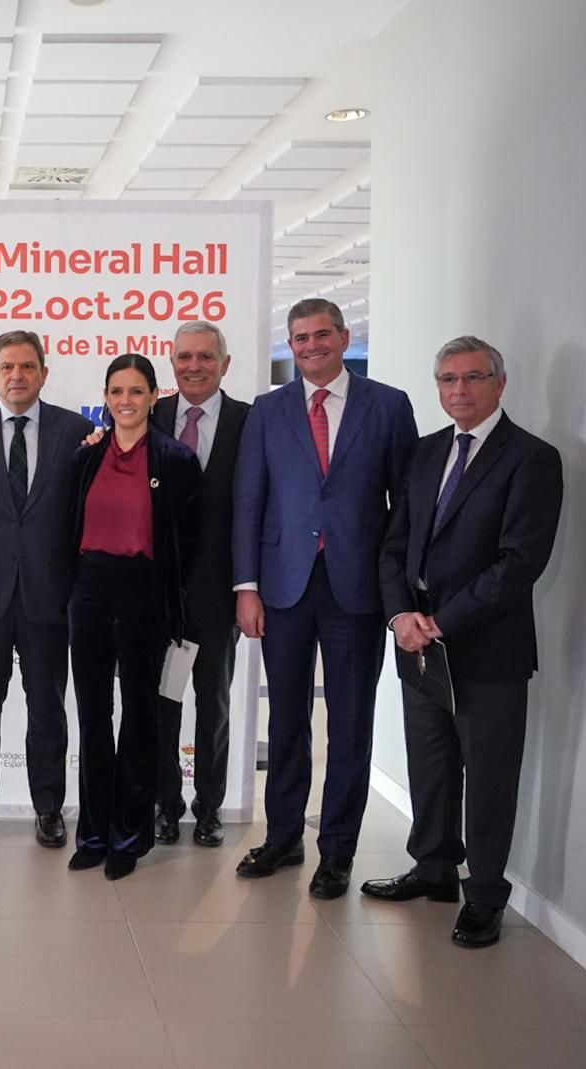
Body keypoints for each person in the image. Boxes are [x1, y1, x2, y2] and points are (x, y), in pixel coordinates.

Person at [364, 336, 563, 948]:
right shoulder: (424, 455)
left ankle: (484, 896)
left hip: (485, 648)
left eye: (473, 378)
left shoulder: (531, 458)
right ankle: (433, 868)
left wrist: (442, 620)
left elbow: (519, 561)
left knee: (490, 773)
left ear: (500, 384)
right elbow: (394, 545)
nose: (459, 391)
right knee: (430, 763)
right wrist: (401, 615)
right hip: (417, 641)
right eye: (448, 380)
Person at [233, 298, 418, 899]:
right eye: (299, 338)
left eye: (321, 335)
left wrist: (400, 595)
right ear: (290, 345)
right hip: (283, 586)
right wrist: (247, 587)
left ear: (343, 337)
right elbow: (248, 503)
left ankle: (337, 851)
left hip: (357, 590)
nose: (310, 346)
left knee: (351, 725)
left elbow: (407, 512)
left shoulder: (388, 406)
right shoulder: (268, 410)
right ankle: (283, 838)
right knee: (286, 720)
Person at [0, 330, 92, 849]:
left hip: (49, 596)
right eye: (7, 367)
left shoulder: (77, 431)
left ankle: (49, 808)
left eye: (28, 366)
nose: (17, 375)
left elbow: (82, 517)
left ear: (44, 373)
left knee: (48, 707)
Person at [67, 353, 202, 880]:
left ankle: (129, 835)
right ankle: (94, 832)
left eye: (135, 391)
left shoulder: (175, 459)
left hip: (145, 595)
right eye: (116, 391)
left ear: (153, 396)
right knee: (93, 716)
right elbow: (67, 530)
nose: (125, 401)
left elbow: (188, 543)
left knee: (141, 717)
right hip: (90, 593)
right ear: (106, 397)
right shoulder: (86, 457)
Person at [150, 322, 252, 848]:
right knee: (162, 705)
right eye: (185, 356)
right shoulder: (151, 418)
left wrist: (248, 588)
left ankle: (208, 807)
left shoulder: (250, 423)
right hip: (161, 598)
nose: (195, 366)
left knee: (213, 704)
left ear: (225, 364)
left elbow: (258, 510)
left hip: (218, 595)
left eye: (206, 357)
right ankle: (166, 806)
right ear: (171, 363)